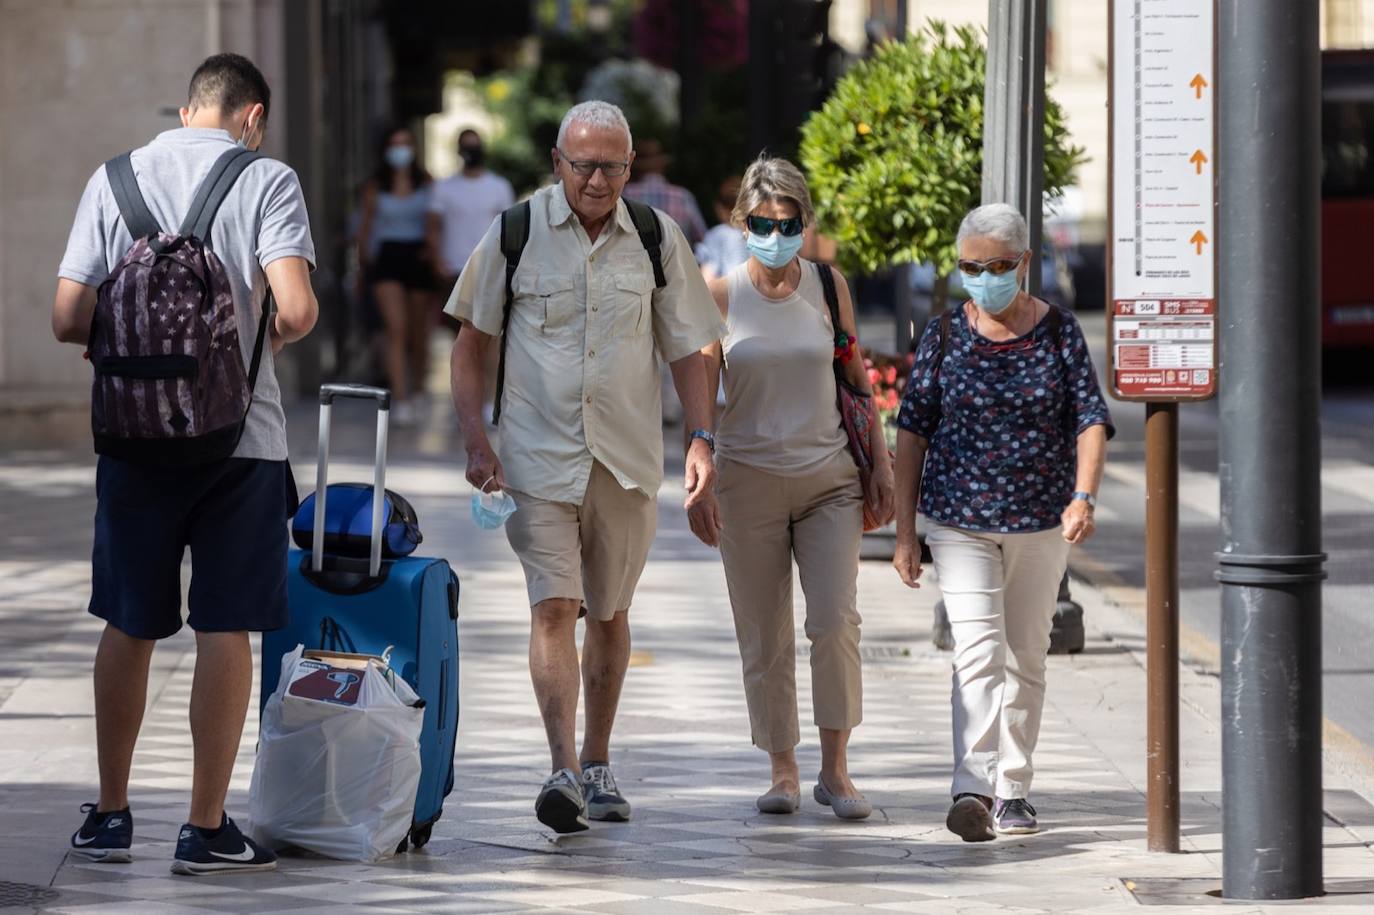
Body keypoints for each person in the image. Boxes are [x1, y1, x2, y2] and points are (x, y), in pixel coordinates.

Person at [51, 52, 317, 875]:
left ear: (189, 108)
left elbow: (67, 317)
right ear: (253, 115)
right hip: (240, 441)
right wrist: (253, 340)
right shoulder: (268, 179)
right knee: (224, 625)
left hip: (133, 440)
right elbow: (299, 308)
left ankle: (109, 814)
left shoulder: (115, 178)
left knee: (128, 619)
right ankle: (205, 828)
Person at [446, 101, 726, 833]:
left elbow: (692, 347)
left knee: (608, 613)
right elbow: (471, 343)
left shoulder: (657, 238)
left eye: (610, 166)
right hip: (537, 458)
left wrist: (701, 439)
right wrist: (477, 438)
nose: (596, 180)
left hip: (626, 460)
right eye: (582, 165)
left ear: (631, 169)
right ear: (557, 162)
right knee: (554, 605)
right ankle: (563, 766)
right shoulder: (514, 232)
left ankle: (599, 761)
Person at [891, 203, 1113, 842]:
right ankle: (972, 787)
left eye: (994, 266)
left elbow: (1090, 419)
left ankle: (1015, 788)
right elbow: (912, 432)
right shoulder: (944, 334)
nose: (981, 278)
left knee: (1026, 656)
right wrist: (906, 533)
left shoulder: (1060, 332)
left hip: (1041, 521)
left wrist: (1084, 497)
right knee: (978, 652)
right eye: (969, 267)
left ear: (1022, 263)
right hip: (959, 521)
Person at [692, 156, 894, 820]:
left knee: (834, 620)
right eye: (761, 222)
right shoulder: (718, 297)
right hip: (746, 484)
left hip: (829, 480)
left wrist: (882, 466)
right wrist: (697, 461)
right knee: (764, 631)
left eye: (787, 222)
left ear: (805, 222)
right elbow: (696, 397)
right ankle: (783, 768)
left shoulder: (830, 286)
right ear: (741, 221)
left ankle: (836, 770)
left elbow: (856, 376)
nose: (775, 234)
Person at [357, 126, 434, 425]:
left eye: (405, 144)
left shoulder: (426, 182)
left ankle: (417, 390)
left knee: (418, 333)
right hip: (386, 257)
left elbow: (435, 221)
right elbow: (365, 225)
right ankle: (400, 398)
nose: (400, 150)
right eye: (395, 144)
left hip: (418, 256)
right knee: (395, 328)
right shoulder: (376, 185)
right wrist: (364, 264)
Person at [428, 129, 515, 290]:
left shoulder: (499, 186)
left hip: (489, 270)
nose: (472, 151)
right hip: (453, 270)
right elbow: (432, 227)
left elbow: (509, 229)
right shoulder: (443, 188)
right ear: (459, 150)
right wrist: (438, 263)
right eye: (467, 146)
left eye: (475, 146)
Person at [622, 137, 707, 247]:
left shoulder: (624, 195)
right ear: (663, 165)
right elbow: (703, 239)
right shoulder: (683, 197)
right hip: (677, 262)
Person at [694, 175, 749, 282]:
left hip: (727, 295)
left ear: (719, 206)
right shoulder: (758, 234)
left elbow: (708, 278)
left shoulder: (717, 235)